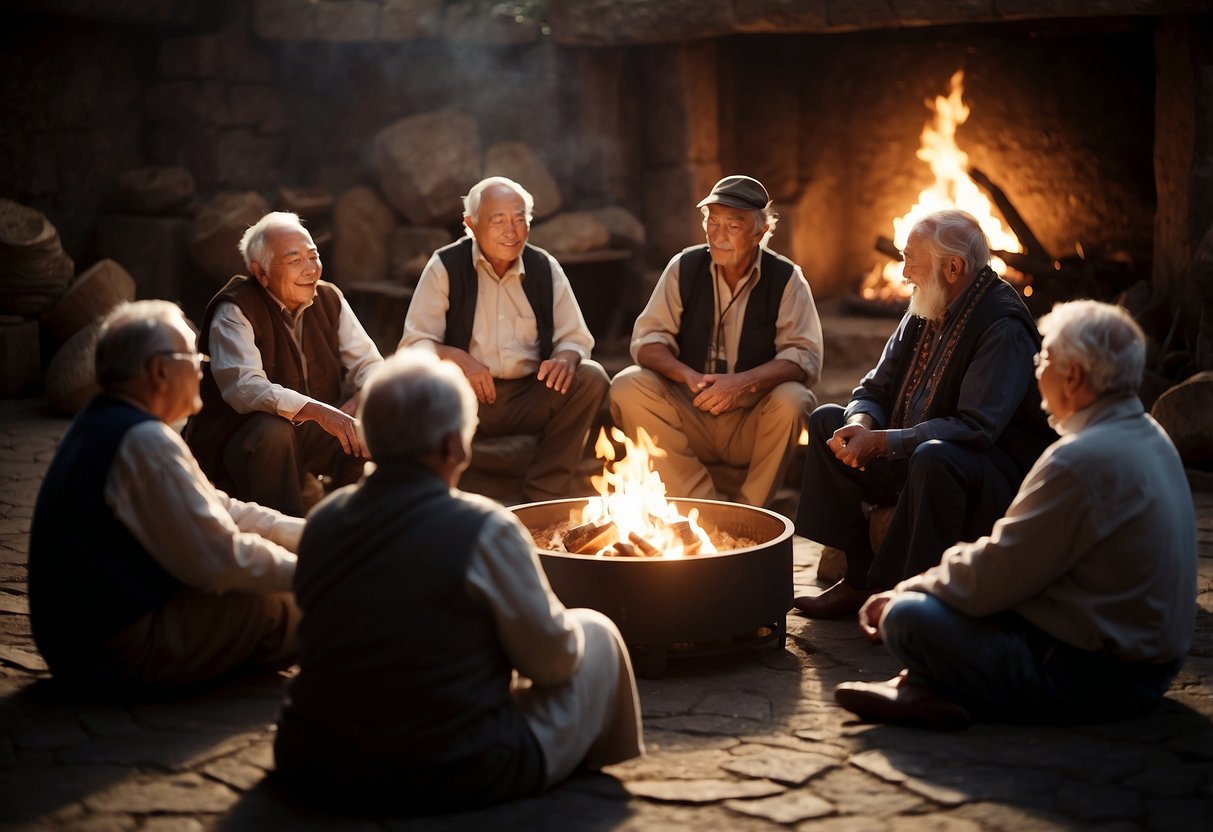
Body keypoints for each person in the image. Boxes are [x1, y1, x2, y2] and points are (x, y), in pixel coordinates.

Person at [273, 349, 644, 812]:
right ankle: (592, 783)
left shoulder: (325, 519)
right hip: (448, 767)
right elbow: (553, 663)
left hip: (316, 761)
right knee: (596, 634)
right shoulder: (486, 528)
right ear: (456, 445)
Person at [834, 300, 1197, 729]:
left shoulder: (1081, 459)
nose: (1036, 371)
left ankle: (936, 687)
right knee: (951, 603)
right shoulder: (1147, 432)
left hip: (1105, 676)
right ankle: (924, 685)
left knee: (908, 619)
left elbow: (1002, 569)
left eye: (1043, 359)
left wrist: (906, 590)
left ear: (1074, 376)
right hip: (1148, 660)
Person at [793, 209, 1055, 619]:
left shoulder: (1001, 325)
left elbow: (976, 427)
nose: (903, 272)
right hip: (913, 453)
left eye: (911, 259)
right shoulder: (927, 303)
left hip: (982, 472)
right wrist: (861, 425)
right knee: (829, 419)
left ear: (953, 267)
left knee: (934, 455)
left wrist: (883, 442)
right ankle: (860, 577)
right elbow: (873, 389)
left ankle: (897, 593)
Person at [28, 301, 302, 692]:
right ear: (159, 370)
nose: (201, 368)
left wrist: (314, 535)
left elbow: (222, 509)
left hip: (82, 640)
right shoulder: (142, 439)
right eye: (194, 356)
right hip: (109, 648)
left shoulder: (110, 421)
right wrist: (318, 571)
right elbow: (221, 558)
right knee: (292, 604)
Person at [609, 175, 823, 508]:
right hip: (691, 413)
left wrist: (741, 384)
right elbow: (646, 342)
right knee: (627, 385)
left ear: (760, 233)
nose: (718, 236)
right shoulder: (684, 267)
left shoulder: (786, 278)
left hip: (748, 422)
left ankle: (750, 512)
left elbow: (805, 358)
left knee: (795, 399)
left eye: (733, 227)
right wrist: (688, 376)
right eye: (713, 222)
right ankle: (702, 507)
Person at [399, 176, 608, 502]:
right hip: (466, 395)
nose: (512, 230)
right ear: (471, 223)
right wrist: (458, 358)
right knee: (415, 388)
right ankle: (440, 497)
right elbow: (414, 345)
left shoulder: (544, 267)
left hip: (529, 394)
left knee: (590, 377)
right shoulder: (445, 266)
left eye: (519, 218)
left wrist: (566, 356)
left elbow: (575, 337)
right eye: (499, 220)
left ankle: (544, 497)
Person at [185, 212, 383, 515]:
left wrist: (360, 401)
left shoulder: (329, 298)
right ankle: (288, 542)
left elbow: (371, 365)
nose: (310, 269)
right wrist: (320, 413)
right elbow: (245, 388)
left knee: (370, 420)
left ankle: (349, 525)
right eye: (294, 261)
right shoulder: (235, 308)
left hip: (310, 435)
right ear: (261, 273)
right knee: (273, 431)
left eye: (313, 256)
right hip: (240, 444)